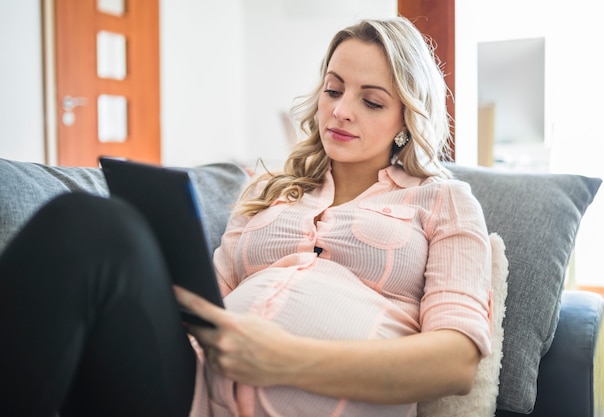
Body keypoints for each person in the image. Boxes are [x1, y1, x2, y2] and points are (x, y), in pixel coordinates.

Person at [0, 16, 492, 417]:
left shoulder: (445, 203)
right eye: (333, 89)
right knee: (91, 223)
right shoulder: (269, 190)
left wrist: (281, 359)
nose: (340, 111)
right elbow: (208, 297)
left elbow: (455, 362)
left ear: (408, 118)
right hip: (188, 390)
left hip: (295, 398)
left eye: (371, 101)